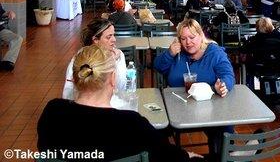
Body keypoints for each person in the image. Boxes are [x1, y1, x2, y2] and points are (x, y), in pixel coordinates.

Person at [39, 45, 201, 161]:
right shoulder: (131, 123)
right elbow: (165, 154)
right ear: (113, 79)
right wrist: (186, 155)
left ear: (75, 78)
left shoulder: (52, 112)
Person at [154, 18, 235, 156]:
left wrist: (222, 86)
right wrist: (170, 54)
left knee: (223, 127)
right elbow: (158, 66)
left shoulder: (214, 53)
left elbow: (228, 75)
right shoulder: (177, 53)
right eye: (183, 38)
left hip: (209, 109)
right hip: (177, 107)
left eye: (192, 37)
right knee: (156, 129)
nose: (188, 42)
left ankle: (225, 156)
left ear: (201, 35)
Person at [62, 19, 127, 107]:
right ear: (95, 39)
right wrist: (110, 63)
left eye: (114, 35)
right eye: (109, 37)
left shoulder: (118, 56)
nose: (114, 40)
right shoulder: (80, 60)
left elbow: (121, 87)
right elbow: (68, 92)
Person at [0, 4, 22, 71]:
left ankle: (7, 62)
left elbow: (2, 13)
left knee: (17, 38)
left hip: (0, 29)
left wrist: (9, 12)